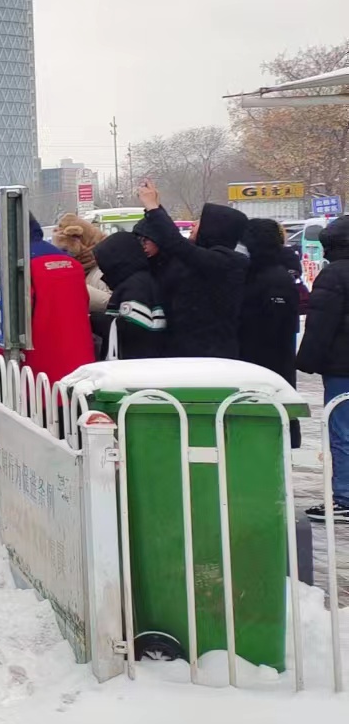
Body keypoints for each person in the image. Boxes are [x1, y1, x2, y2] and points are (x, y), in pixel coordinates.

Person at [135, 179, 248, 359]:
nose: (193, 224)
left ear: (216, 228)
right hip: (188, 350)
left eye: (201, 221)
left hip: (210, 356)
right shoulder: (204, 257)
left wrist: (153, 207)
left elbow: (177, 244)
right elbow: (174, 242)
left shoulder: (226, 263)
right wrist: (155, 206)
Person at [296, 216, 349, 523]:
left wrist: (305, 362)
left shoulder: (333, 275)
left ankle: (344, 498)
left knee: (343, 432)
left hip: (342, 368)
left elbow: (320, 324)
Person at [25, 216, 96, 387]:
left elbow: (19, 317)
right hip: (81, 360)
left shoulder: (23, 267)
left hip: (41, 365)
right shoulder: (73, 265)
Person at [237, 219, 302, 388]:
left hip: (269, 370)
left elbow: (275, 326)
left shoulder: (274, 278)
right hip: (263, 366)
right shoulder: (254, 272)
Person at [93, 230, 168, 359]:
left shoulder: (135, 286)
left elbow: (135, 328)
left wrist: (94, 320)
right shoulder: (140, 281)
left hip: (135, 363)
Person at [53, 213, 111, 315]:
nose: (62, 256)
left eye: (65, 250)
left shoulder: (102, 269)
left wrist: (74, 286)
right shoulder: (83, 268)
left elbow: (112, 302)